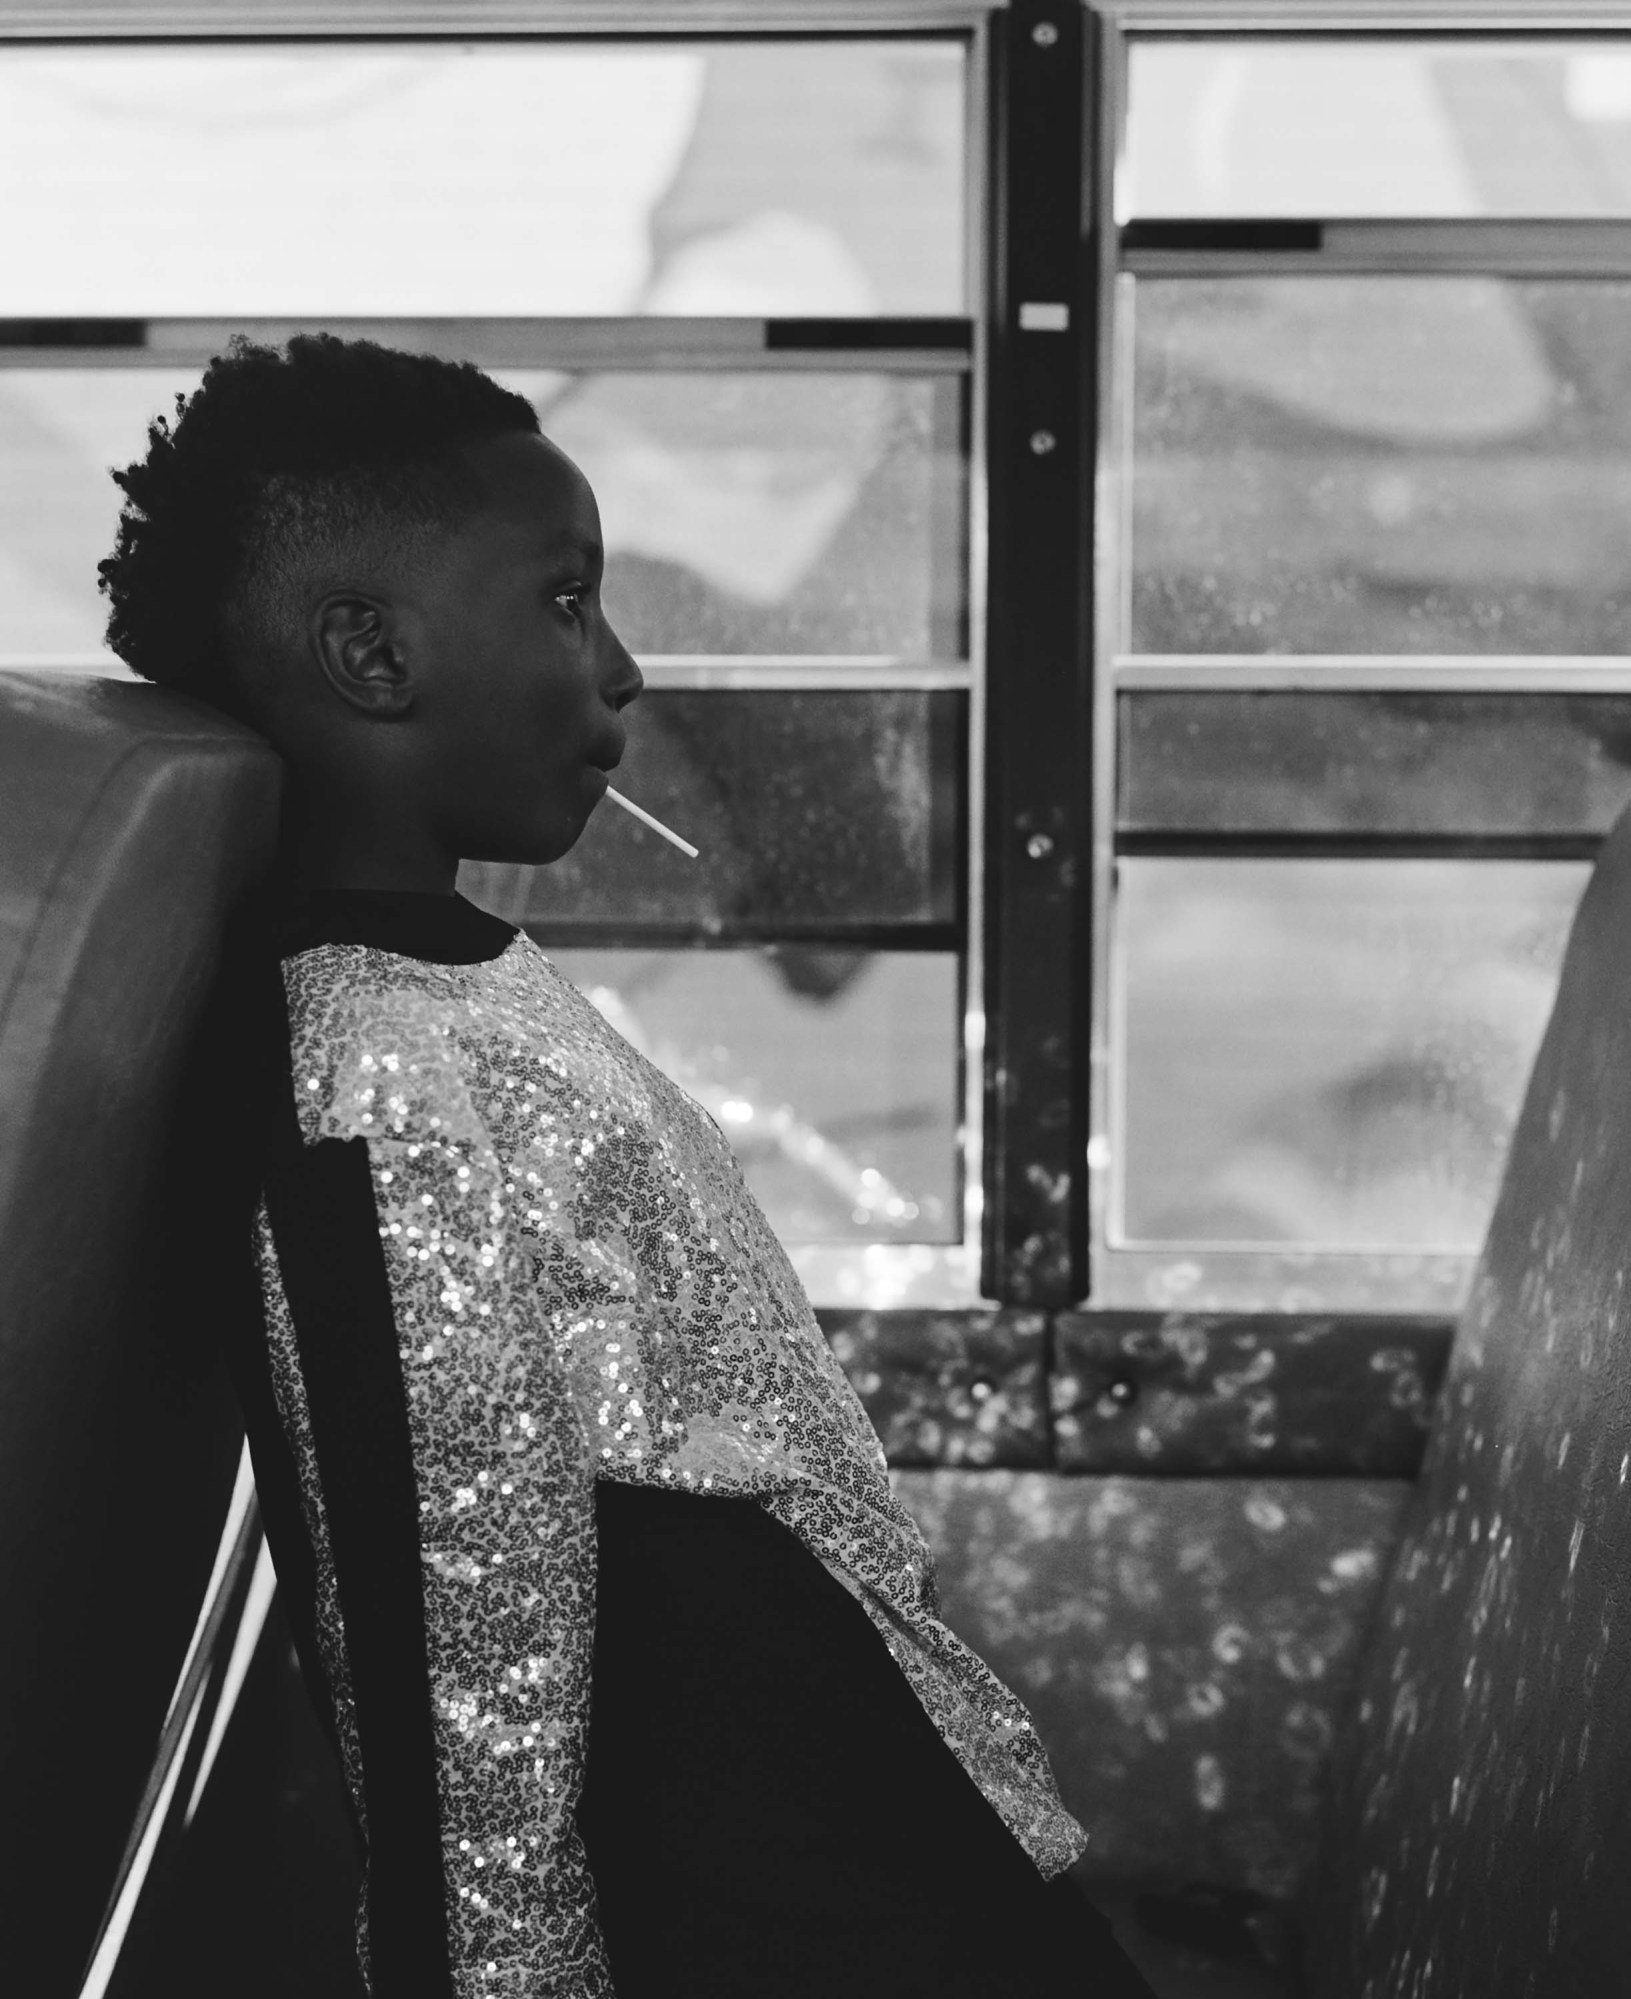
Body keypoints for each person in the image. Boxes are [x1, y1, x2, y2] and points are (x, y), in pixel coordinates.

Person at [99, 331, 1161, 1999]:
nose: (623, 671)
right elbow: (455, 1640)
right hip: (768, 1907)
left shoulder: (454, 980)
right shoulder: (368, 1077)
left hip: (870, 1834)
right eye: (564, 600)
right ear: (372, 652)